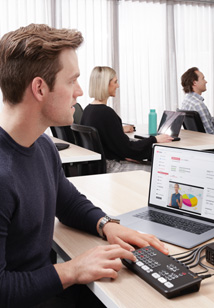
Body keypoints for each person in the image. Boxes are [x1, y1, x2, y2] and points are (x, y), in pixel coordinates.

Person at [0, 24, 169, 307]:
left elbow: (67, 203)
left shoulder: (42, 146)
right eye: (72, 80)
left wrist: (107, 225)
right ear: (40, 88)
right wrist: (72, 270)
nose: (79, 91)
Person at [81, 66, 172, 173]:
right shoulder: (106, 113)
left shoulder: (88, 110)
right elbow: (128, 148)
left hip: (103, 165)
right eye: (115, 82)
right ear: (105, 84)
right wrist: (155, 139)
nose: (117, 86)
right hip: (112, 167)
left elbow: (113, 143)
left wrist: (126, 154)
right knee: (163, 171)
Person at [179, 67, 214, 135]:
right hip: (211, 142)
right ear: (194, 82)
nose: (206, 81)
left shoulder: (186, 101)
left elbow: (208, 121)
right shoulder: (198, 104)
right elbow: (211, 133)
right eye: (203, 79)